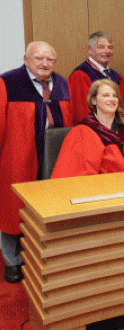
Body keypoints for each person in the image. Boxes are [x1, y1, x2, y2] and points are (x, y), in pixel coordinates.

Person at [0, 41, 72, 283]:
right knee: (13, 209)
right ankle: (12, 261)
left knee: (49, 209)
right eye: (38, 58)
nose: (44, 64)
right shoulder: (7, 83)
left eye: (49, 59)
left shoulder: (62, 83)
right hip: (18, 156)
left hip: (53, 156)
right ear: (26, 58)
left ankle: (43, 258)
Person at [52, 79, 124, 178]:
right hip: (102, 188)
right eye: (106, 95)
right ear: (94, 100)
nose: (112, 99)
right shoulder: (83, 131)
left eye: (115, 96)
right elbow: (79, 174)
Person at [69, 32, 122, 125]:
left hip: (116, 127)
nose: (107, 51)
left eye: (110, 47)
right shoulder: (80, 75)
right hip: (94, 130)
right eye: (101, 47)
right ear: (90, 50)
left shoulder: (116, 75)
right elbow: (81, 113)